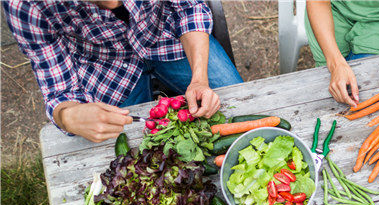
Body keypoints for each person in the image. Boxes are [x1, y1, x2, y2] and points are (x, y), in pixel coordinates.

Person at [3, 0, 243, 142]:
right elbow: (58, 89)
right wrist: (68, 116)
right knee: (125, 151)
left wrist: (199, 78)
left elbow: (189, 8)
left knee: (240, 107)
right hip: (105, 66)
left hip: (169, 35)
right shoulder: (25, 4)